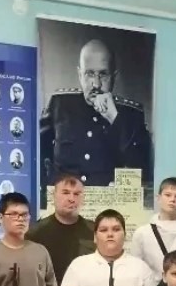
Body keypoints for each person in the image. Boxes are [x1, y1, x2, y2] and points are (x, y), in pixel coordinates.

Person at [40, 39, 152, 187]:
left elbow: (144, 170)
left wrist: (115, 118)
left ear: (114, 77)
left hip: (108, 201)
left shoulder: (131, 114)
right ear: (80, 74)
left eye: (103, 75)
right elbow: (36, 153)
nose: (96, 84)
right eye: (90, 74)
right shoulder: (60, 104)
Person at [27, 173, 95, 286]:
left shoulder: (93, 231)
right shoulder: (35, 233)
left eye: (77, 194)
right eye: (65, 192)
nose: (71, 198)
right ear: (53, 195)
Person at [131, 177, 176, 282]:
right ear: (158, 198)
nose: (172, 200)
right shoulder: (142, 233)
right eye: (168, 195)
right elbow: (136, 268)